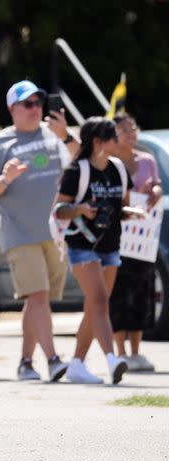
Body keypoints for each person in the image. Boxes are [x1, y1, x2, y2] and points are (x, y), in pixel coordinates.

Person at [0, 80, 78, 382]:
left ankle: (25, 362)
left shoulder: (53, 135)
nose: (36, 109)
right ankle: (53, 360)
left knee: (37, 300)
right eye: (28, 104)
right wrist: (4, 180)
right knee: (39, 295)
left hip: (53, 232)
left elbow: (79, 162)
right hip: (18, 232)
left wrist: (66, 135)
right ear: (12, 109)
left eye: (38, 103)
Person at [54, 117, 134, 384]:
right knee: (99, 301)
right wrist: (80, 209)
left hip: (111, 246)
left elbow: (121, 206)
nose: (118, 140)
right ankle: (112, 360)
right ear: (98, 142)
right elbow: (59, 210)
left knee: (95, 306)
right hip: (81, 245)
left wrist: (133, 213)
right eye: (113, 136)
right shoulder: (78, 171)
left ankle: (76, 364)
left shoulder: (118, 169)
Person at [106, 112, 162, 371]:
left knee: (142, 291)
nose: (131, 133)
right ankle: (120, 351)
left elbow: (157, 185)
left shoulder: (148, 160)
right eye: (124, 129)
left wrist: (155, 191)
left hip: (143, 238)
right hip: (117, 237)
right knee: (118, 293)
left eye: (133, 127)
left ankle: (137, 351)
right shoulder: (109, 163)